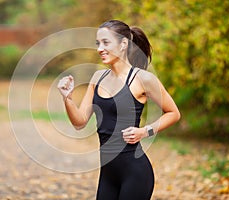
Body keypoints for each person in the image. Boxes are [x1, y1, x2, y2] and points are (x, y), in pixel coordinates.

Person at [57, 19, 180, 200]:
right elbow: (79, 122)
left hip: (135, 174)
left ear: (123, 44)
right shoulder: (98, 77)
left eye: (106, 42)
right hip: (108, 175)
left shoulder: (142, 79)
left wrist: (144, 131)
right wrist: (67, 97)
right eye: (98, 43)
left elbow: (173, 113)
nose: (100, 48)